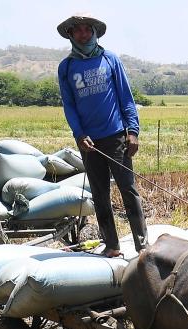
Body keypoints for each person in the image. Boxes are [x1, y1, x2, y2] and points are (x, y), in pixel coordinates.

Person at [57, 13, 148, 257]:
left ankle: (142, 245)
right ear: (71, 35)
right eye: (78, 30)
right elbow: (70, 106)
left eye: (88, 29)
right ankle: (112, 245)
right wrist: (79, 134)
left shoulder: (110, 60)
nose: (84, 34)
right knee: (100, 195)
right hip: (89, 142)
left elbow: (126, 98)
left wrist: (133, 131)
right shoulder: (66, 67)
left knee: (129, 191)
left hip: (116, 136)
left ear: (95, 33)